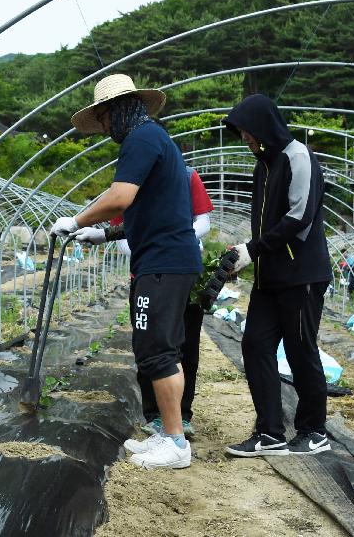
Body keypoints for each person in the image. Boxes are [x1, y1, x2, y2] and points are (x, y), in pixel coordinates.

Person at [51, 73, 202, 469]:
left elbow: (121, 197)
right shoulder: (153, 140)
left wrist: (76, 218)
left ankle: (176, 445)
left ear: (114, 111)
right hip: (164, 258)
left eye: (102, 120)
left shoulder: (141, 139)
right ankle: (167, 433)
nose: (103, 130)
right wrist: (100, 235)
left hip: (164, 262)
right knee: (155, 347)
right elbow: (145, 211)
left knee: (158, 350)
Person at [222, 94, 332, 457]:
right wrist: (248, 256)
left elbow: (299, 218)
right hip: (270, 278)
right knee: (254, 344)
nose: (245, 139)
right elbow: (265, 223)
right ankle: (269, 431)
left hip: (302, 274)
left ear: (263, 128)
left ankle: (314, 430)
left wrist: (253, 249)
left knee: (300, 351)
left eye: (247, 132)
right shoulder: (263, 165)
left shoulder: (298, 157)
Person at [88, 166, 213, 437]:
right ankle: (155, 415)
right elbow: (123, 240)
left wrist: (179, 240)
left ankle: (183, 415)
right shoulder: (124, 186)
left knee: (186, 345)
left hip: (184, 273)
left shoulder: (185, 175)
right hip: (145, 275)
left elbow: (203, 220)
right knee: (148, 346)